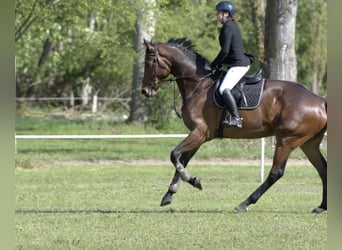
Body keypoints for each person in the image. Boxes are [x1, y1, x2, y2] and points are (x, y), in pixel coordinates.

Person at [211, 1, 250, 128]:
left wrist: (215, 64)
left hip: (239, 65)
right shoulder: (231, 25)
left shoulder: (228, 27)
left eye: (219, 13)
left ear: (226, 14)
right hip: (235, 64)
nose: (217, 15)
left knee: (223, 89)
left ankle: (236, 118)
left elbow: (225, 51)